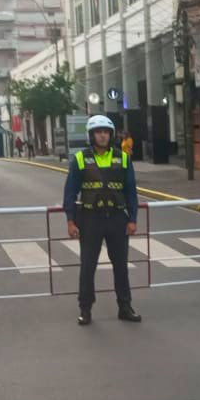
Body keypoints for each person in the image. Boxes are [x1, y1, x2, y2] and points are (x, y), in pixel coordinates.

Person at [63, 115, 141, 326]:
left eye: (106, 132)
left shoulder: (123, 158)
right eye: (98, 132)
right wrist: (71, 221)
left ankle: (125, 307)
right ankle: (85, 309)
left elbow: (131, 192)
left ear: (111, 135)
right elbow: (70, 192)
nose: (103, 135)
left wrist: (132, 219)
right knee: (88, 266)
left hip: (117, 218)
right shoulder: (80, 159)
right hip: (89, 219)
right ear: (91, 135)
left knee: (121, 266)